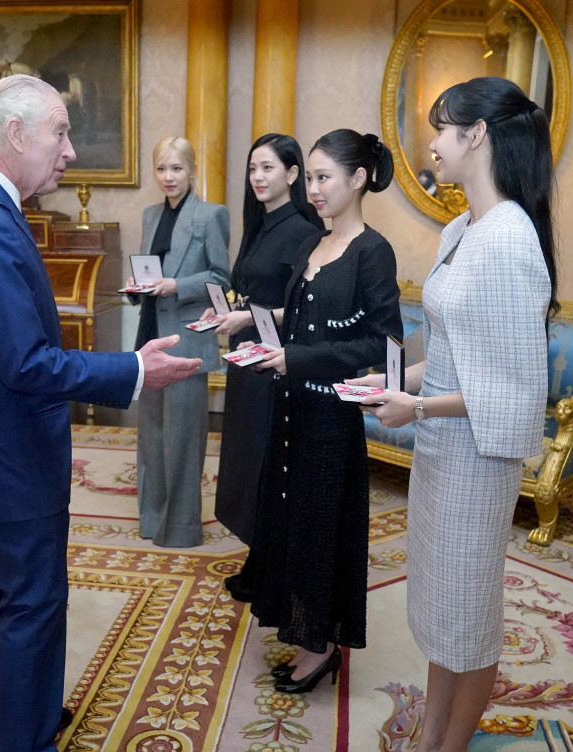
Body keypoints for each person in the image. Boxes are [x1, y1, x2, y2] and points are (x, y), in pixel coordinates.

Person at [0, 75, 201, 752]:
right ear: (15, 136)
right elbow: (29, 364)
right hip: (3, 458)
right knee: (34, 601)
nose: (70, 152)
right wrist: (136, 369)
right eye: (60, 134)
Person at [355, 77, 556, 752]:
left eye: (441, 129)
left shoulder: (510, 238)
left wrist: (419, 405)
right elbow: (450, 347)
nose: (430, 144)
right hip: (445, 445)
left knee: (468, 615)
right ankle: (433, 744)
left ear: (478, 136)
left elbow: (513, 387)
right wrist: (394, 378)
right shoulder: (462, 229)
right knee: (442, 607)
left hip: (478, 454)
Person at [243, 129, 402, 694]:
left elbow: (385, 348)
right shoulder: (315, 245)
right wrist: (265, 341)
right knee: (289, 520)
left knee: (320, 527)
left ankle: (323, 647)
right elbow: (302, 320)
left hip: (331, 419)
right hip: (290, 409)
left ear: (358, 179)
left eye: (323, 177)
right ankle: (303, 631)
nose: (313, 189)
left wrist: (298, 358)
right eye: (308, 177)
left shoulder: (372, 251)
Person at [211, 133, 324, 599]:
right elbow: (248, 288)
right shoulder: (259, 223)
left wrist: (247, 317)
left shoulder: (304, 228)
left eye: (268, 168)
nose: (258, 177)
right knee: (246, 459)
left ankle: (271, 567)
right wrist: (229, 313)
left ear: (293, 174)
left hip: (275, 362)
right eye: (253, 168)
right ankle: (259, 558)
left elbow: (304, 305)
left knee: (268, 463)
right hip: (245, 357)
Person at [128, 137, 230, 547]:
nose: (169, 177)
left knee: (183, 441)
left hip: (188, 341)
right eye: (161, 169)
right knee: (151, 437)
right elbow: (145, 273)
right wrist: (136, 288)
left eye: (177, 169)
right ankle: (152, 522)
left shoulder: (210, 216)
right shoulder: (151, 215)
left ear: (191, 171)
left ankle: (182, 529)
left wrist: (177, 286)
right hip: (149, 337)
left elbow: (222, 280)